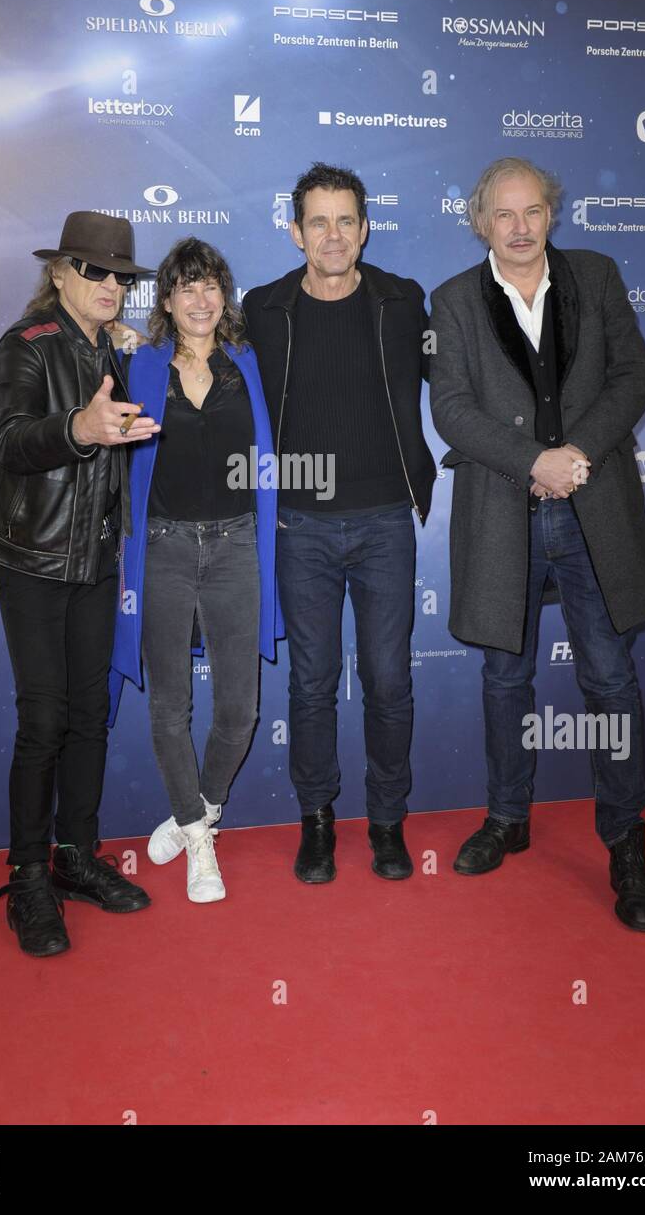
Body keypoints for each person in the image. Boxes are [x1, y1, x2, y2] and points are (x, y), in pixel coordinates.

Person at [428, 157, 645, 930]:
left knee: (608, 679)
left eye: (532, 211)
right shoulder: (453, 301)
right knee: (506, 678)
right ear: (479, 223)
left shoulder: (594, 276)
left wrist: (574, 458)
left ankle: (625, 840)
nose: (521, 227)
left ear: (550, 214)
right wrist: (531, 461)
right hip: (503, 516)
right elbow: (453, 412)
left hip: (593, 511)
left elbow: (633, 378)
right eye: (504, 215)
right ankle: (507, 817)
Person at [242, 163, 435, 884]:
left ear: (364, 227)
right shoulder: (263, 310)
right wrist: (139, 346)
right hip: (301, 527)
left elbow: (463, 377)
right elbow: (198, 356)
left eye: (345, 220)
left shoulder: (402, 302)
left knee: (388, 680)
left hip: (386, 520)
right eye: (317, 221)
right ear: (295, 232)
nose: (332, 235)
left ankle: (386, 822)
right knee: (312, 682)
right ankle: (316, 821)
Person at [0, 211, 159, 956]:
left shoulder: (113, 350)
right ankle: (27, 875)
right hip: (33, 562)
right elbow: (6, 443)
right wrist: (79, 428)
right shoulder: (26, 345)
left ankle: (75, 858)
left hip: (93, 565)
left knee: (90, 716)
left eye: (121, 275)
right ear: (58, 274)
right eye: (93, 271)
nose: (110, 284)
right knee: (44, 721)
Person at [109, 238, 283, 903]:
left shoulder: (248, 363)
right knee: (171, 706)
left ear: (224, 294)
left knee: (239, 710)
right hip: (164, 551)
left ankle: (197, 811)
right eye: (186, 287)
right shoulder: (142, 363)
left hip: (238, 547)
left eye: (210, 285)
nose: (200, 299)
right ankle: (200, 842)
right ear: (168, 300)